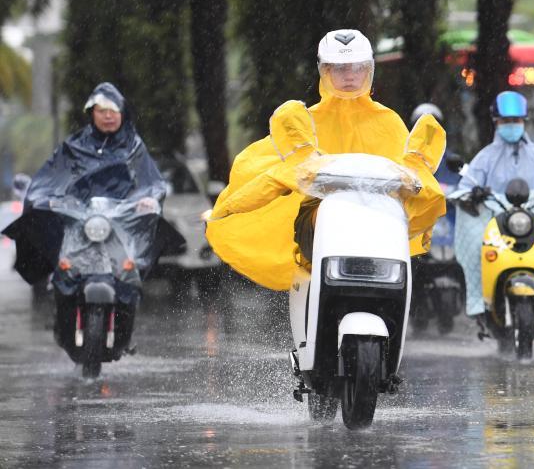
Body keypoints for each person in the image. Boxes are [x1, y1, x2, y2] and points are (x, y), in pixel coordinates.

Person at [205, 30, 447, 291]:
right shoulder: (305, 123)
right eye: (340, 68)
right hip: (320, 223)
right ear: (324, 71)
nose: (350, 76)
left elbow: (412, 180)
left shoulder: (389, 122)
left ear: (369, 70)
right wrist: (230, 208)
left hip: (376, 227)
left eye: (358, 67)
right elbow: (270, 171)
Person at [6, 82, 167, 284]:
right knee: (62, 279)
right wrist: (44, 199)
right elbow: (49, 178)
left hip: (121, 230)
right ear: (91, 113)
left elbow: (152, 182)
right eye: (102, 111)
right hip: (77, 228)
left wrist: (149, 199)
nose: (108, 116)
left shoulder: (135, 148)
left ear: (122, 113)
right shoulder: (73, 147)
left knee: (131, 281)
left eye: (113, 110)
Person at [453, 90, 534, 325]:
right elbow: (465, 187)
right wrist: (474, 194)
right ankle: (480, 303)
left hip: (531, 223)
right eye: (506, 121)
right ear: (496, 122)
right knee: (477, 249)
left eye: (516, 120)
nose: (511, 125)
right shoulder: (485, 157)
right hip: (494, 225)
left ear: (524, 121)